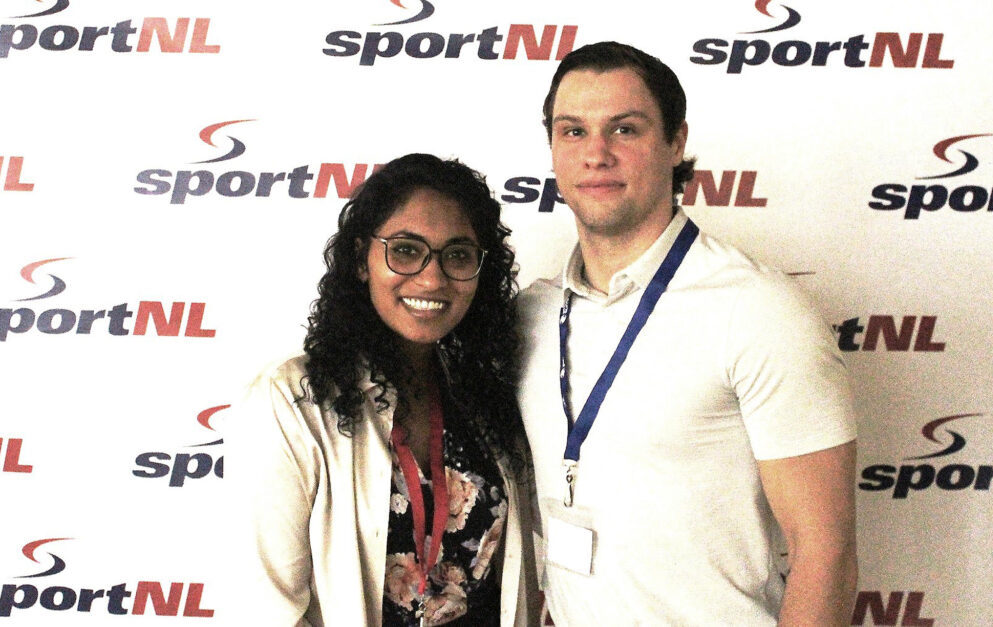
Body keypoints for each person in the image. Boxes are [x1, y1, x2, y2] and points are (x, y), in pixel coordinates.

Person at [517, 41, 858, 626]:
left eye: (624, 129)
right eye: (573, 131)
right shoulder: (531, 315)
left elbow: (826, 552)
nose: (596, 154)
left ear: (676, 142)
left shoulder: (758, 308)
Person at [227, 153, 539, 626]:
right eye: (407, 250)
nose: (432, 278)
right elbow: (265, 609)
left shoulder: (486, 394)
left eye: (458, 255)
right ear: (360, 260)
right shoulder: (295, 401)